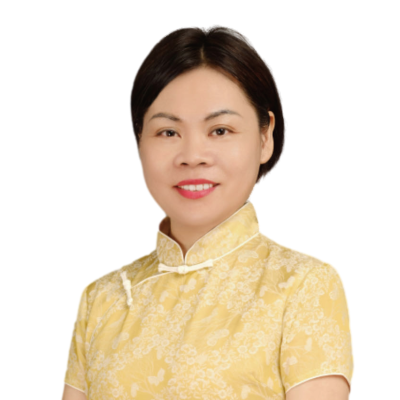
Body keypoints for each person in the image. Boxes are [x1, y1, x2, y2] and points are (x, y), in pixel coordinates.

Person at [61, 24, 355, 400]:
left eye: (220, 130)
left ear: (265, 136)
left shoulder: (303, 286)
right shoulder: (102, 299)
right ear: (139, 142)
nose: (192, 156)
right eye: (168, 132)